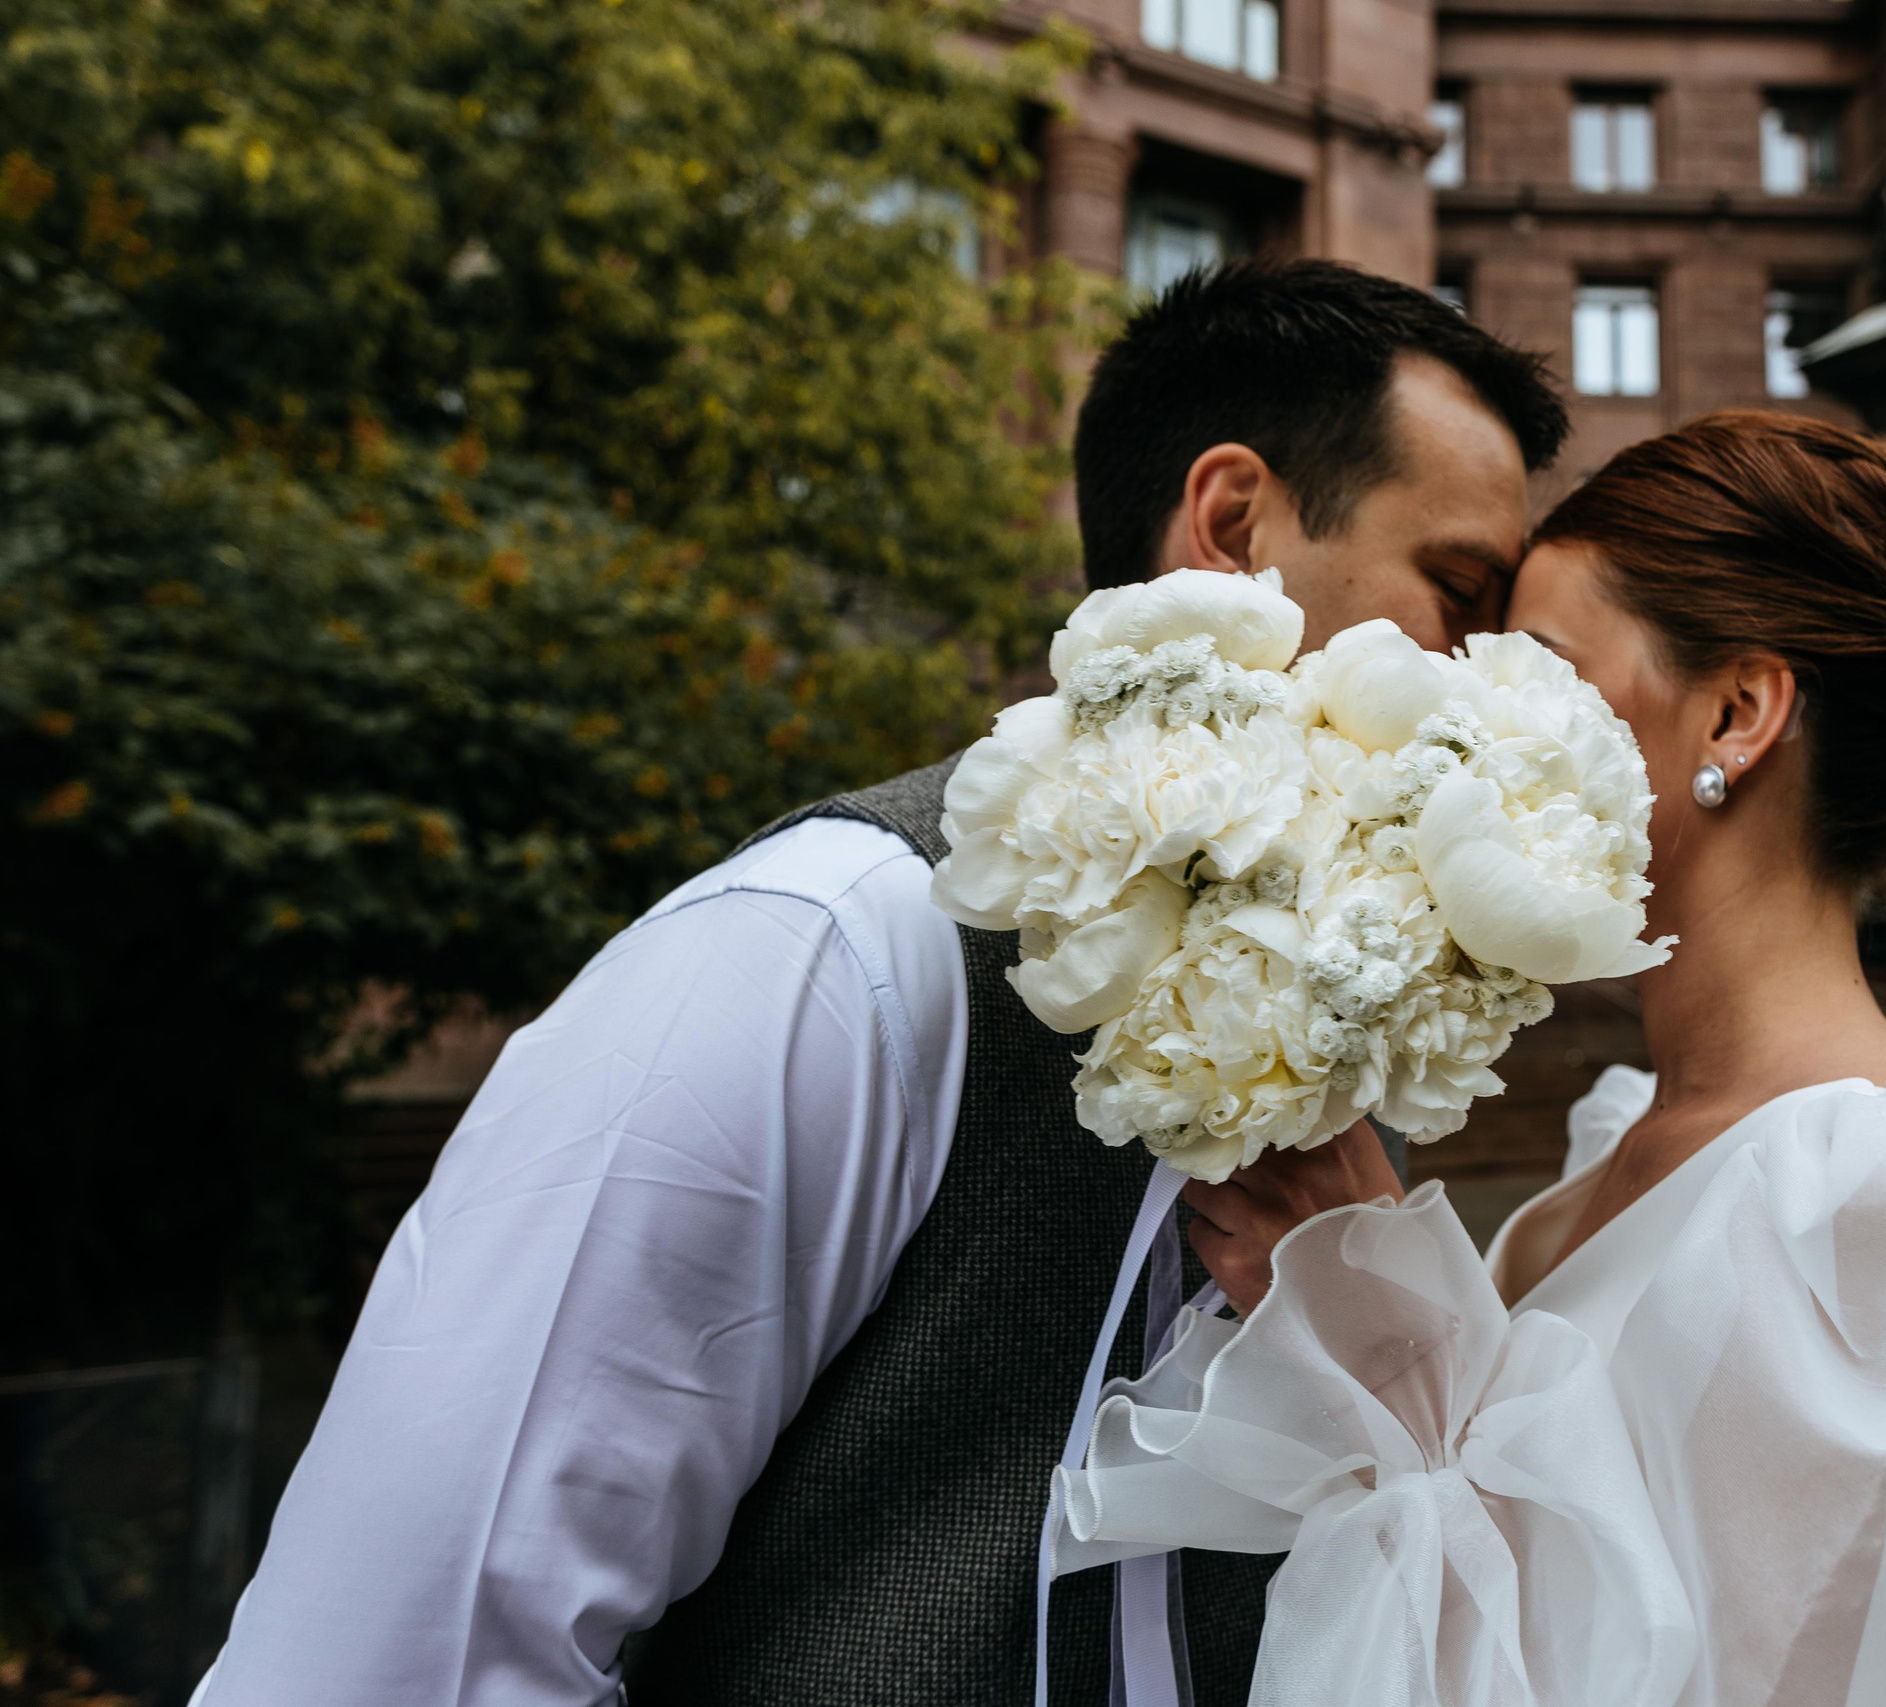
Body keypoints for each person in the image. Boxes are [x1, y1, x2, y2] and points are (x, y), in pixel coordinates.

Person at [189, 261, 1567, 1707]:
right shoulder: (823, 953)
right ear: (1232, 526)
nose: (1483, 681)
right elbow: (414, 1649)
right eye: (1457, 597)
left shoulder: (1369, 1039)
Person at [1058, 410, 1886, 1707]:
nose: (1479, 722)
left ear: (1736, 714)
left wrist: (1391, 1329)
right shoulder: (1625, 1143)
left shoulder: (1875, 1209)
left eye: (1545, 674)